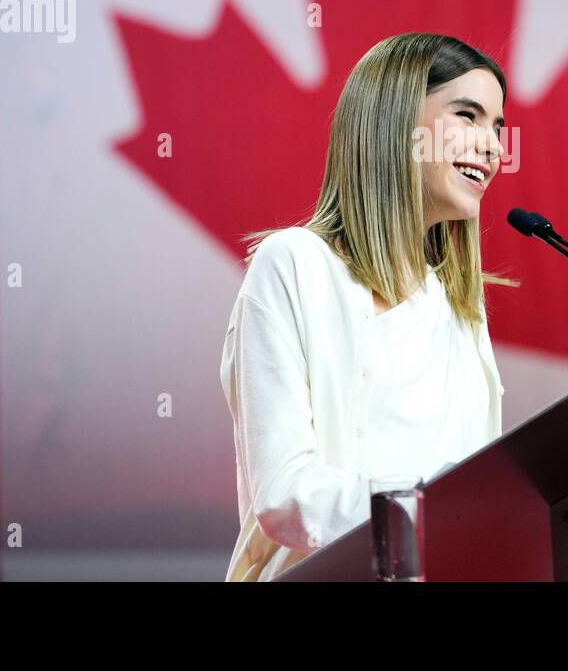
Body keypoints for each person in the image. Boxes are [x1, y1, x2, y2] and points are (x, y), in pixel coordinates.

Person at [219, 32, 515, 581]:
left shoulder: (461, 313)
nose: (494, 146)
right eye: (468, 116)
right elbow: (284, 494)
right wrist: (440, 511)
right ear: (395, 121)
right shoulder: (294, 265)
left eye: (497, 127)